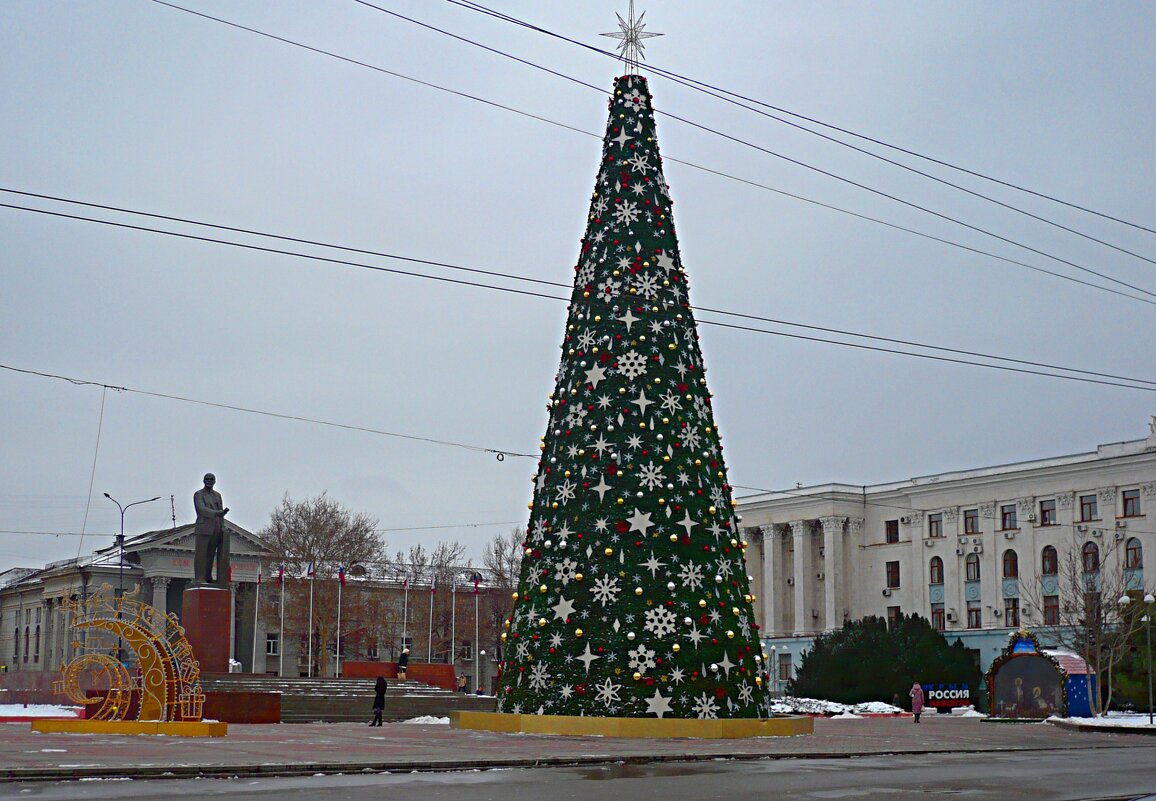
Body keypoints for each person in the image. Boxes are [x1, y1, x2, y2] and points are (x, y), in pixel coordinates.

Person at [193, 473, 230, 585]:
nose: (209, 481)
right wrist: (217, 513)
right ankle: (199, 578)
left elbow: (221, 513)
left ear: (214, 481)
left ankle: (208, 576)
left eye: (211, 479)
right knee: (201, 554)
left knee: (211, 554)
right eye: (207, 479)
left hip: (216, 528)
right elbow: (201, 509)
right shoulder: (199, 494)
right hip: (203, 527)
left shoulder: (218, 495)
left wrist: (222, 526)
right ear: (204, 481)